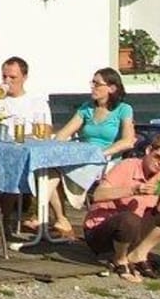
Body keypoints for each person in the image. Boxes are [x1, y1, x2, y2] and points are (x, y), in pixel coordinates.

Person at [44, 67, 137, 238]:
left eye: (97, 84)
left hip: (106, 161)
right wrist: (53, 146)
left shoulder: (123, 109)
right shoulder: (87, 108)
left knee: (53, 172)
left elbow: (128, 140)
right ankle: (61, 219)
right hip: (82, 157)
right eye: (92, 83)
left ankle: (45, 219)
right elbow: (63, 134)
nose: (92, 87)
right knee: (47, 171)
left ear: (111, 88)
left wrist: (102, 153)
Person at [84, 133, 160, 280]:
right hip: (101, 230)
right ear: (148, 151)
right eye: (158, 157)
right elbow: (97, 195)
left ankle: (139, 254)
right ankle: (120, 260)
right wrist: (133, 190)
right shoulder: (127, 166)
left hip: (132, 230)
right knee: (129, 219)